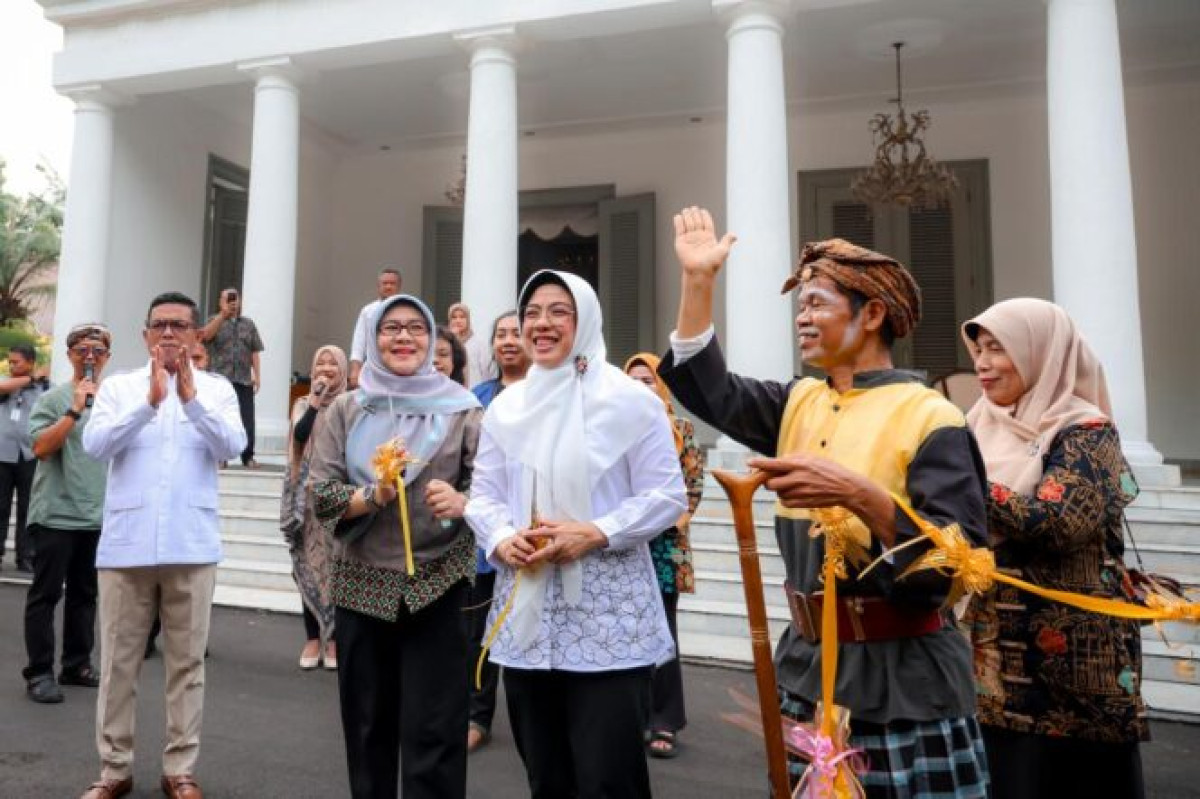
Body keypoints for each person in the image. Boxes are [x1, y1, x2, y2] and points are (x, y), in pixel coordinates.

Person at [658, 208, 990, 797]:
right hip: (809, 668)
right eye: (800, 307)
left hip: (904, 676)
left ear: (873, 315)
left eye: (816, 304)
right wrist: (698, 281)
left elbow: (953, 569)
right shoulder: (798, 402)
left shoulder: (932, 417)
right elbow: (705, 388)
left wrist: (861, 498)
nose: (802, 320)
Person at [465, 270, 686, 799]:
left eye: (558, 311)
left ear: (585, 318)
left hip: (608, 626)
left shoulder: (631, 401)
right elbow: (485, 496)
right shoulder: (507, 407)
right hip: (527, 622)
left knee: (611, 780)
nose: (541, 323)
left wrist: (597, 531)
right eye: (532, 313)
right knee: (546, 777)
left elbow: (667, 495)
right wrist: (499, 538)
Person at [960, 298, 1147, 799]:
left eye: (998, 349)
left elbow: (1059, 521)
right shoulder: (976, 424)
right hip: (997, 662)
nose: (982, 362)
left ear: (1040, 352)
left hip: (1074, 674)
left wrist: (964, 482)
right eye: (978, 348)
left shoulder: (1086, 432)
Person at [308, 294, 482, 799]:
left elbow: (493, 492)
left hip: (439, 586)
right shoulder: (347, 408)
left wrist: (461, 500)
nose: (402, 337)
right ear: (374, 341)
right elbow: (321, 497)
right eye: (390, 329)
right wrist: (374, 495)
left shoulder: (463, 411)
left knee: (436, 730)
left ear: (431, 339)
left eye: (414, 328)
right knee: (367, 727)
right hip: (362, 588)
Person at [80, 292, 246, 799]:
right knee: (117, 666)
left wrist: (190, 403)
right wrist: (149, 404)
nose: (169, 333)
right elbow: (95, 445)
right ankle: (114, 770)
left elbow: (233, 447)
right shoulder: (119, 388)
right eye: (160, 325)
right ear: (145, 333)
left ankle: (180, 768)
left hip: (190, 545)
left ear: (197, 333)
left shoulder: (216, 390)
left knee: (187, 665)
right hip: (126, 548)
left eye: (179, 325)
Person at [21, 324, 110, 704]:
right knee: (45, 595)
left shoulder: (113, 401)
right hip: (55, 513)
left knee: (85, 594)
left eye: (98, 350)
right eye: (82, 350)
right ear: (70, 355)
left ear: (107, 357)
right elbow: (41, 448)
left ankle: (76, 664)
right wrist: (75, 409)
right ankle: (39, 672)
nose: (90, 356)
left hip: (96, 515)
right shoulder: (54, 398)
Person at [623, 352, 705, 759]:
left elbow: (691, 487)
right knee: (627, 631)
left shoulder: (681, 428)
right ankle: (632, 715)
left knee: (664, 633)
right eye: (632, 380)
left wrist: (656, 522)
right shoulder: (613, 430)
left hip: (664, 545)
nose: (641, 387)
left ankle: (664, 720)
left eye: (648, 380)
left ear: (662, 386)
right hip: (621, 544)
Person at [463, 309, 528, 753]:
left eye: (515, 333)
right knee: (477, 635)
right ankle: (475, 716)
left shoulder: (551, 391)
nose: (507, 341)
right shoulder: (478, 396)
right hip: (485, 535)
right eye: (500, 334)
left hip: (532, 531)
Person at [283, 345, 349, 671]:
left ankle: (334, 639)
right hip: (304, 499)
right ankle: (312, 637)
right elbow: (300, 436)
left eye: (332, 363)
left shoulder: (352, 405)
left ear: (343, 369)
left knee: (335, 567)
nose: (325, 368)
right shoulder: (301, 404)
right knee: (306, 566)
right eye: (320, 362)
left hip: (336, 498)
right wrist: (314, 403)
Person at [199, 287, 263, 468]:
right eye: (228, 299)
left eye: (235, 299)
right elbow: (205, 336)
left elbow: (255, 351)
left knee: (247, 418)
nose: (233, 303)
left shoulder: (248, 324)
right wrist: (222, 314)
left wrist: (257, 376)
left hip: (243, 378)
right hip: (220, 379)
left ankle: (248, 456)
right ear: (221, 301)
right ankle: (221, 457)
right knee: (219, 417)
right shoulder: (214, 320)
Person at [0, 343, 48, 571]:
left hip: (30, 455)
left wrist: (38, 381)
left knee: (28, 509)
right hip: (2, 455)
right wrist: (30, 379)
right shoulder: (5, 382)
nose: (11, 366)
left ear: (30, 362)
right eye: (10, 362)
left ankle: (26, 557)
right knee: (0, 507)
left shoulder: (45, 388)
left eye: (16, 362)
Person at [348, 267, 402, 389]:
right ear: (378, 286)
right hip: (372, 368)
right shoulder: (367, 311)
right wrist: (355, 371)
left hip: (399, 367)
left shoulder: (407, 310)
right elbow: (359, 344)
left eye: (392, 283)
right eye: (385, 283)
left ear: (399, 287)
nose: (388, 287)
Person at [448, 302, 495, 388]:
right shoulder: (445, 344)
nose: (458, 321)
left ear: (468, 320)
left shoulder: (479, 345)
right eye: (454, 317)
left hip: (476, 393)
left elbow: (489, 372)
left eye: (462, 317)